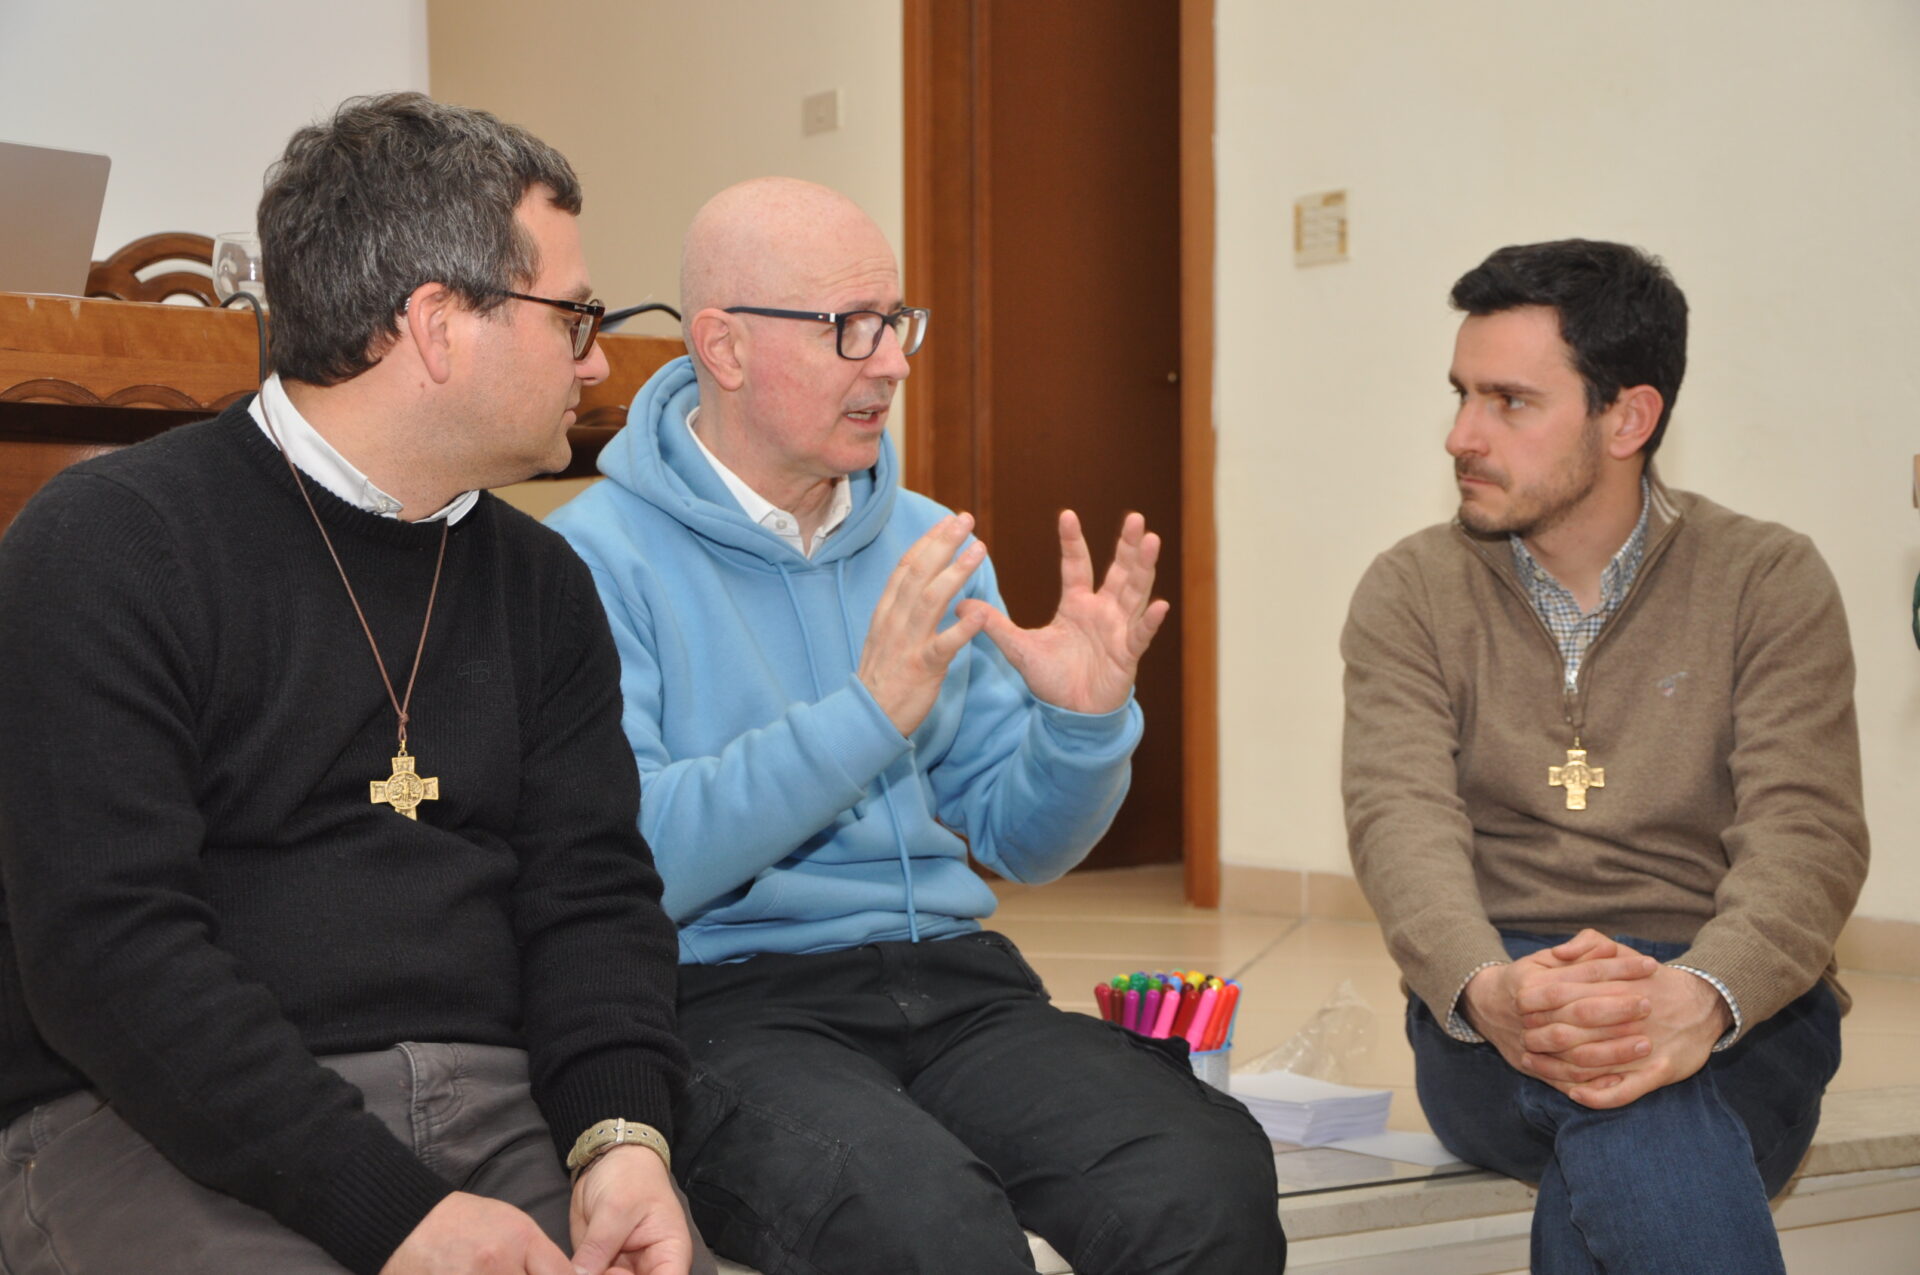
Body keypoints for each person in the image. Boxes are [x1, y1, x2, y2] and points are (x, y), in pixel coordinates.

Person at [0, 93, 714, 1275]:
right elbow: (110, 957)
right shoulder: (111, 545)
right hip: (149, 1120)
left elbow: (591, 897)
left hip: (494, 1103)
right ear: (436, 326)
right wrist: (393, 1213)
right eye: (574, 316)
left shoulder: (543, 582)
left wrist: (621, 1140)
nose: (597, 361)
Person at [548, 177, 1284, 1275]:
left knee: (1202, 1176)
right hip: (724, 1001)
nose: (892, 361)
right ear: (725, 346)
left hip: (953, 980)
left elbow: (1023, 841)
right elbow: (631, 860)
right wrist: (859, 720)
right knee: (926, 1231)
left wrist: (1082, 724)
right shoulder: (589, 559)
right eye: (851, 326)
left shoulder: (928, 540)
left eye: (896, 321)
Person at [1341, 238, 1869, 1273]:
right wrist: (1486, 985)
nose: (1461, 435)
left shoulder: (1767, 578)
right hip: (1497, 1002)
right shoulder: (1411, 591)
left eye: (1510, 402)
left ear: (1628, 419)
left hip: (1743, 1000)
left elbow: (1808, 833)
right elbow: (1398, 821)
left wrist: (1701, 994)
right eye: (1462, 394)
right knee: (1636, 1103)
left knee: (1629, 1112)